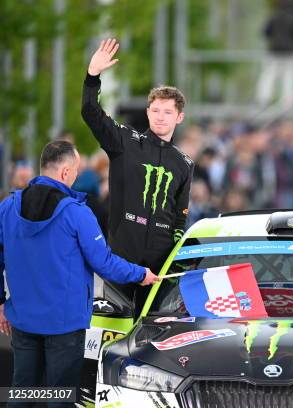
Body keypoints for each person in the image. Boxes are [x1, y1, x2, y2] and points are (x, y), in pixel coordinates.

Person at [0, 141, 158, 407]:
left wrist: (1, 304)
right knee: (60, 397)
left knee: (22, 392)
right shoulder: (77, 213)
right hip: (65, 324)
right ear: (64, 173)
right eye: (75, 170)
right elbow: (104, 263)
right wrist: (140, 273)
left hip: (23, 319)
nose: (75, 176)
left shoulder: (7, 208)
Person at [82, 38, 194, 314]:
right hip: (120, 260)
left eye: (168, 112)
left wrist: (172, 261)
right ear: (147, 112)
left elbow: (180, 216)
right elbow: (90, 112)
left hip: (159, 269)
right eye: (155, 110)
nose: (160, 117)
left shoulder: (184, 164)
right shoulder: (124, 141)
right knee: (115, 330)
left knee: (151, 336)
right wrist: (92, 76)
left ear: (179, 117)